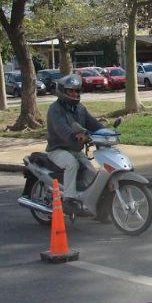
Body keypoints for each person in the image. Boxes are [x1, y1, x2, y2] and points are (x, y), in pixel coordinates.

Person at [46, 74, 105, 205]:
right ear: (62, 91)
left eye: (76, 91)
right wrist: (75, 136)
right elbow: (61, 129)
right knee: (72, 164)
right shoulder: (55, 109)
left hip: (76, 150)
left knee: (91, 171)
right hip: (58, 150)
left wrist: (106, 133)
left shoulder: (80, 108)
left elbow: (93, 124)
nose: (74, 94)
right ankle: (69, 199)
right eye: (70, 91)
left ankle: (95, 202)